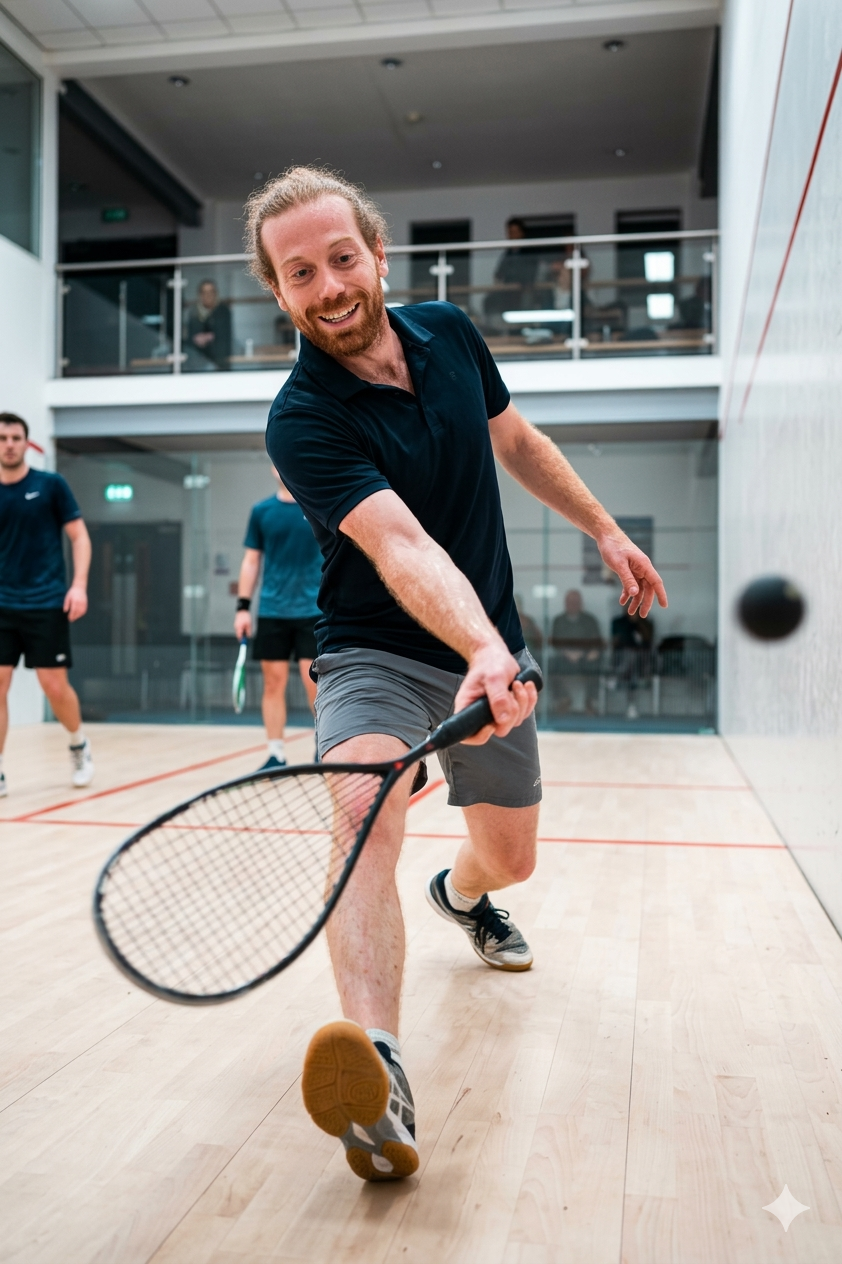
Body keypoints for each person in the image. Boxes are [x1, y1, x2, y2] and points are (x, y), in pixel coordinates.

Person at [244, 166, 667, 1182]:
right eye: (300, 272)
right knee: (358, 804)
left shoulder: (447, 333)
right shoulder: (300, 418)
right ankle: (378, 1073)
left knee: (508, 860)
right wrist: (479, 645)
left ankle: (461, 894)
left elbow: (512, 438)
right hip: (375, 652)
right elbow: (399, 549)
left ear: (376, 254)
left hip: (491, 649)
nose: (330, 285)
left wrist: (602, 527)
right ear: (279, 292)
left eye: (341, 257)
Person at [0, 413, 94, 794]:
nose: (8, 444)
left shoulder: (50, 485)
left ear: (27, 443)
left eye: (15, 437)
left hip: (45, 602)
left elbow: (80, 537)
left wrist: (80, 586)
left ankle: (78, 744)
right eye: (3, 438)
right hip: (2, 605)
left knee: (53, 686)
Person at [234, 469, 321, 770]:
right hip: (272, 611)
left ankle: (322, 749)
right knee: (273, 684)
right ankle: (275, 754)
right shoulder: (262, 511)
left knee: (316, 687)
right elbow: (251, 560)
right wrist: (243, 607)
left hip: (313, 611)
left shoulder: (316, 504)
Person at [550, 589, 603, 714]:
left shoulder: (590, 620)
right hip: (564, 658)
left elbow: (596, 641)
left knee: (595, 668)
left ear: (581, 603)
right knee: (551, 667)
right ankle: (563, 699)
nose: (573, 604)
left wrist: (590, 652)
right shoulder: (558, 620)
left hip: (586, 658)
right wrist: (567, 653)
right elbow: (555, 642)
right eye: (570, 601)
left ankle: (590, 701)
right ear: (565, 603)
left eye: (576, 601)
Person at [611, 607, 655, 719]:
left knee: (633, 661)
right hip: (621, 658)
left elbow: (648, 641)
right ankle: (631, 704)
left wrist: (638, 623)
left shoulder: (646, 623)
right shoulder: (618, 622)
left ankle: (619, 678)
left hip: (642, 660)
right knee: (631, 660)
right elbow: (617, 641)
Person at [186, 280, 232, 370]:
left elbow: (225, 338)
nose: (208, 295)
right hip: (197, 365)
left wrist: (210, 337)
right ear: (200, 295)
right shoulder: (193, 314)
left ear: (216, 294)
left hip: (219, 364)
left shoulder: (223, 312)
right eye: (204, 292)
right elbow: (190, 340)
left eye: (211, 292)